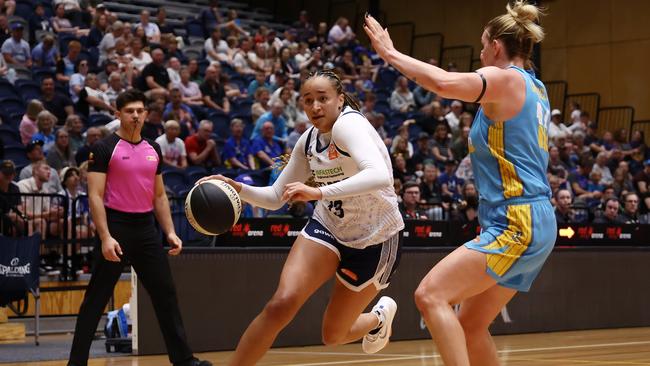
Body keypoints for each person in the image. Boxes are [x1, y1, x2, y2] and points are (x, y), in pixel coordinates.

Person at [365, 2, 556, 365]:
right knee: (469, 323)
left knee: (430, 295)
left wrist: (390, 54)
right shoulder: (536, 89)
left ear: (497, 46)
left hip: (517, 219)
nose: (480, 52)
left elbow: (442, 83)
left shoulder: (506, 79)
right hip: (532, 218)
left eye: (483, 45)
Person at [197, 69, 404, 365]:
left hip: (374, 238)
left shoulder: (349, 125)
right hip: (329, 226)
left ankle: (377, 319)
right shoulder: (308, 141)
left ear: (339, 100)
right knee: (280, 304)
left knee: (333, 336)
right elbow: (274, 197)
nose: (315, 107)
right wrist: (238, 188)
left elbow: (380, 176)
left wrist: (319, 193)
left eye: (323, 99)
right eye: (308, 100)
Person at [66, 90, 211, 366]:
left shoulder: (153, 148)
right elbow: (95, 195)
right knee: (95, 300)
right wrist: (106, 237)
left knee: (165, 294)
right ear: (117, 114)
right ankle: (76, 363)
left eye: (139, 110)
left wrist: (169, 231)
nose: (135, 115)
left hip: (145, 229)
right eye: (129, 110)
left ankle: (183, 360)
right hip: (116, 227)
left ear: (146, 114)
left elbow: (158, 196)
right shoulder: (104, 148)